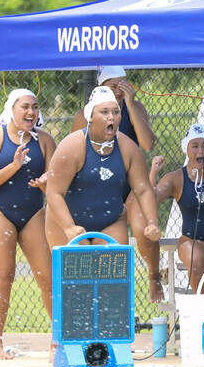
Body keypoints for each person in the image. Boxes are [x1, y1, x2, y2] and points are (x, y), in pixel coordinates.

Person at [0, 89, 57, 360]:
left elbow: (56, 184)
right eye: (25, 107)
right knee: (2, 276)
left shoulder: (45, 141)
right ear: (11, 109)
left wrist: (45, 185)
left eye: (35, 107)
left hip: (33, 213)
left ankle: (58, 341)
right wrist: (14, 166)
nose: (31, 112)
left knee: (48, 277)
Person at [71, 66, 163, 301]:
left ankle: (154, 275)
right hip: (98, 186)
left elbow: (148, 144)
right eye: (113, 86)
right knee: (98, 247)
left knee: (144, 228)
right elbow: (75, 152)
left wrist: (130, 106)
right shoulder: (84, 115)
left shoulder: (135, 108)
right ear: (101, 88)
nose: (119, 90)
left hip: (129, 183)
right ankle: (96, 296)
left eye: (123, 84)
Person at [46, 86, 160, 248]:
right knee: (78, 264)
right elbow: (54, 192)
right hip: (67, 219)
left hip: (111, 221)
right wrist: (69, 227)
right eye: (104, 112)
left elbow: (143, 189)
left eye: (115, 112)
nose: (111, 117)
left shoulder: (128, 148)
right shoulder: (72, 146)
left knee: (113, 264)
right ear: (90, 116)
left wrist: (152, 223)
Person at [150, 124, 204, 291]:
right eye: (195, 146)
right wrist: (153, 173)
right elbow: (150, 199)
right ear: (186, 148)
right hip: (191, 239)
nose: (200, 151)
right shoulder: (176, 178)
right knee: (195, 257)